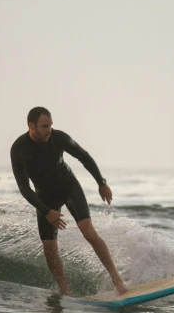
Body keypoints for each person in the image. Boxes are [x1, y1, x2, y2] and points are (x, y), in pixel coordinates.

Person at [10, 106, 128, 296]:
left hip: (68, 187)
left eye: (50, 125)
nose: (49, 130)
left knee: (88, 232)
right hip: (44, 198)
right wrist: (46, 211)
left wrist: (101, 182)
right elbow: (24, 188)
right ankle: (65, 289)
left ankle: (118, 281)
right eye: (44, 126)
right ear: (31, 126)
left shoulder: (59, 138)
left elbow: (84, 156)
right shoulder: (19, 149)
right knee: (49, 249)